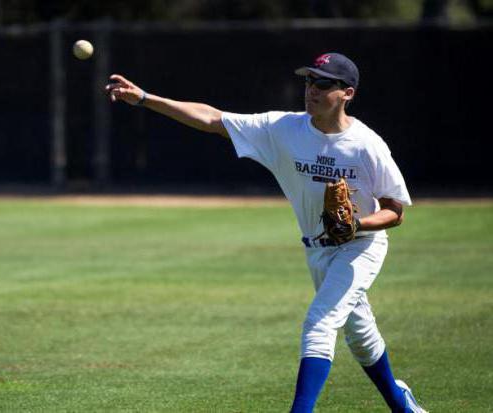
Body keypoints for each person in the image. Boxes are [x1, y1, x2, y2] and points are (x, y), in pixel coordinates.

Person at [105, 52, 428, 413]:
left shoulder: (368, 145)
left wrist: (356, 224)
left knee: (319, 325)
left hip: (361, 247)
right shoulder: (283, 129)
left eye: (323, 83)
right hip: (317, 250)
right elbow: (213, 118)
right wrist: (147, 99)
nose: (312, 90)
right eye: (309, 81)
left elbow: (394, 212)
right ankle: (402, 404)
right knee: (361, 334)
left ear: (347, 93)